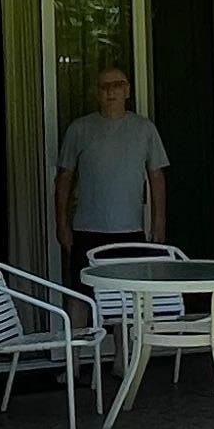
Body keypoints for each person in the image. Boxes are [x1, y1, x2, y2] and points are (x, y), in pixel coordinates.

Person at [56, 62, 168, 275]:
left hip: (130, 229)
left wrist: (159, 221)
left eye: (117, 85)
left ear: (127, 91)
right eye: (104, 86)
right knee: (81, 292)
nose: (110, 91)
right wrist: (61, 223)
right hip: (86, 229)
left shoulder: (144, 129)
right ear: (96, 93)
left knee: (127, 292)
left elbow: (157, 176)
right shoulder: (79, 129)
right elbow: (64, 178)